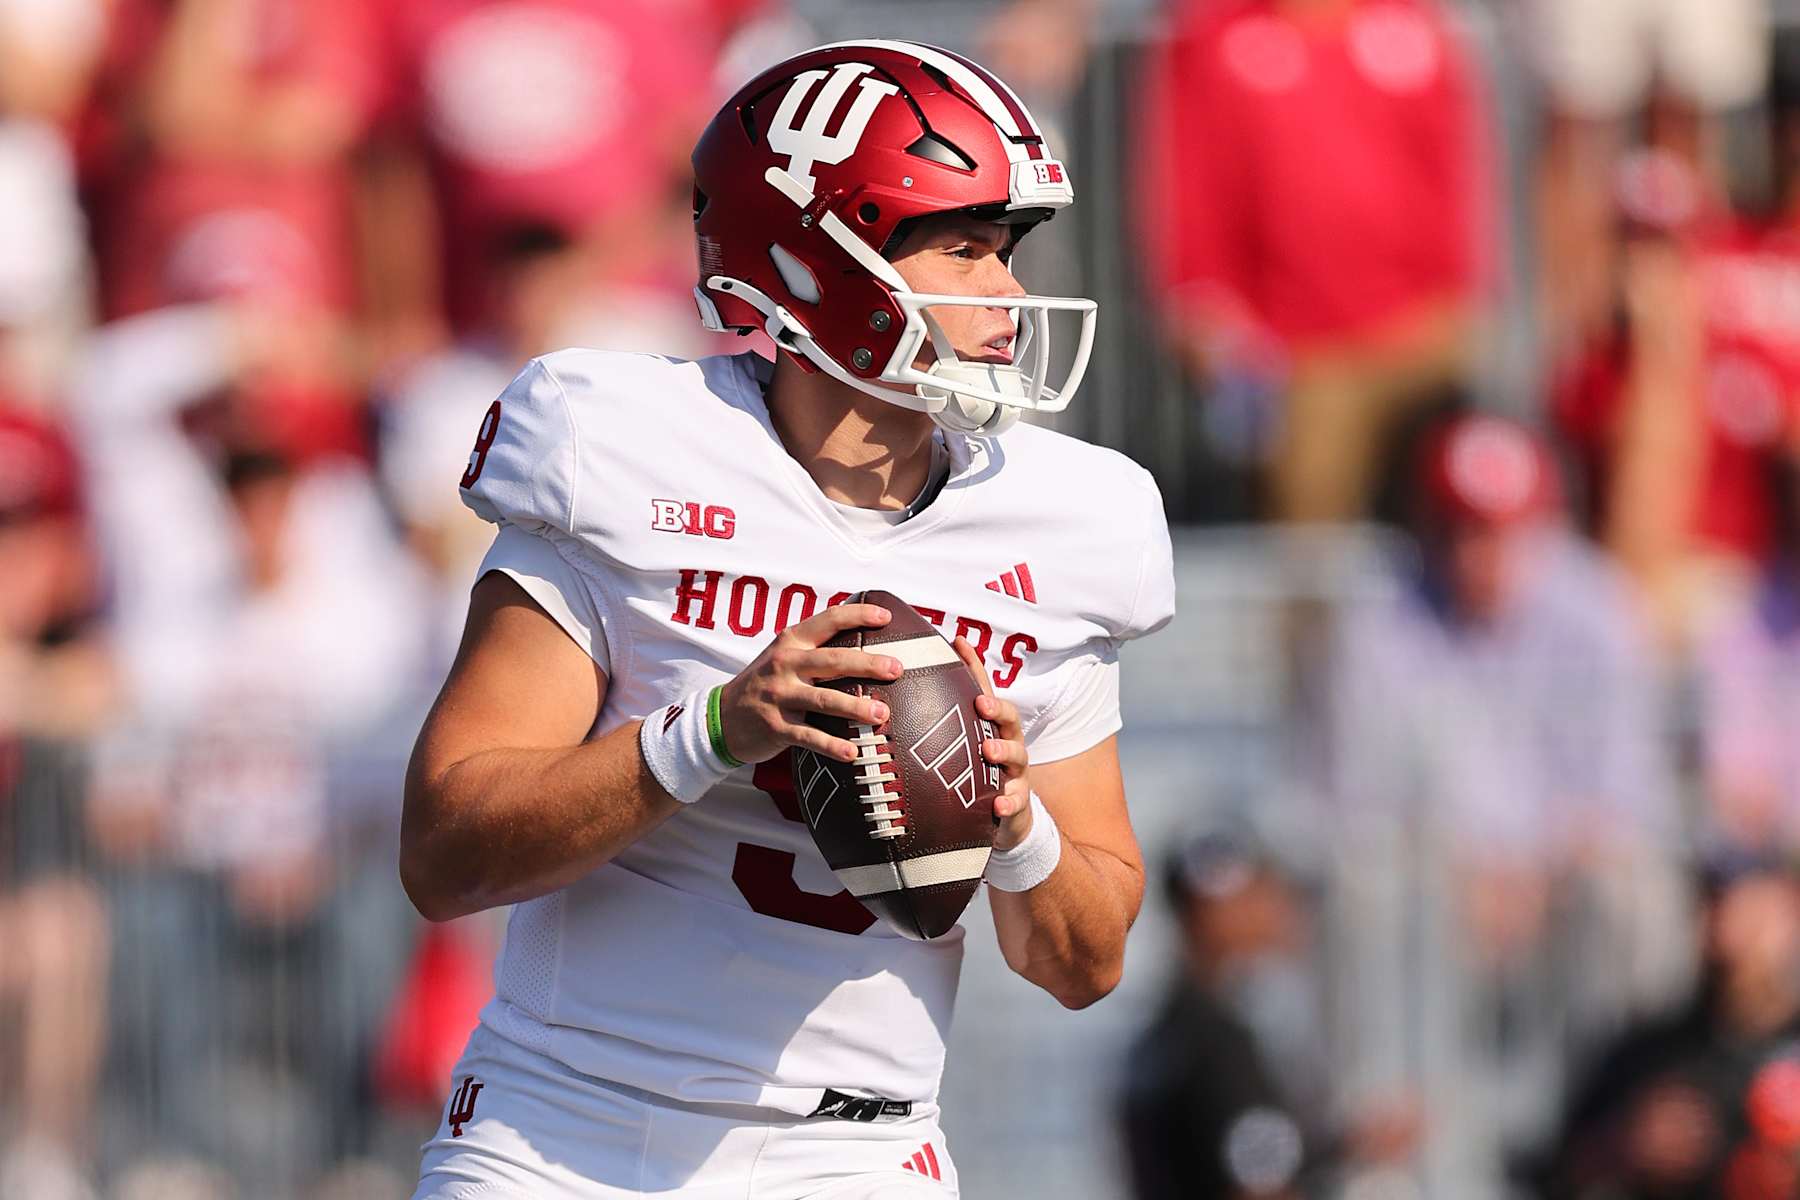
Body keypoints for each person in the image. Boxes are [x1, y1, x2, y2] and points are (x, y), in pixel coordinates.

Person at [401, 39, 1175, 1199]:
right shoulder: (617, 443)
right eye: (963, 248)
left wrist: (1016, 828)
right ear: (818, 260)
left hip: (853, 1154)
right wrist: (709, 731)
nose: (1008, 295)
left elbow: (1085, 960)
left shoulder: (1069, 521)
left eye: (1006, 251)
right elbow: (445, 853)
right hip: (562, 1129)